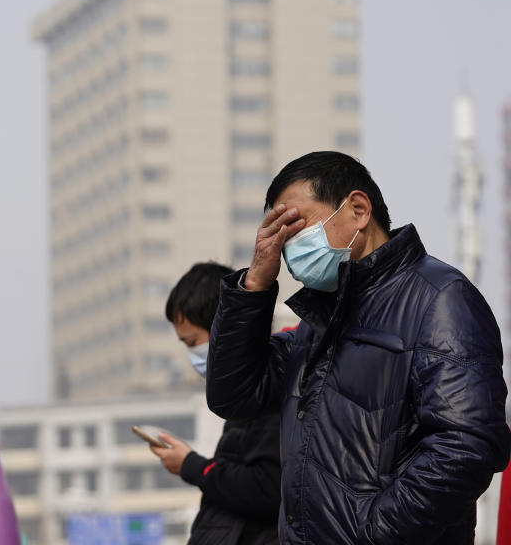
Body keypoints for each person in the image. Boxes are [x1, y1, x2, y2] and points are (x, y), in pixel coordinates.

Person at [206, 151, 511, 544]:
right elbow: (235, 394)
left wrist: (373, 534)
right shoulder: (319, 323)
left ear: (358, 209)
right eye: (282, 241)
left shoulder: (439, 299)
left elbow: (467, 445)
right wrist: (254, 287)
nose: (291, 251)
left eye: (297, 229)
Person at [150, 262, 281, 545]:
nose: (192, 355)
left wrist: (192, 466)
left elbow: (270, 489)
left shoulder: (271, 390)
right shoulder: (243, 399)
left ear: (224, 328)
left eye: (192, 342)